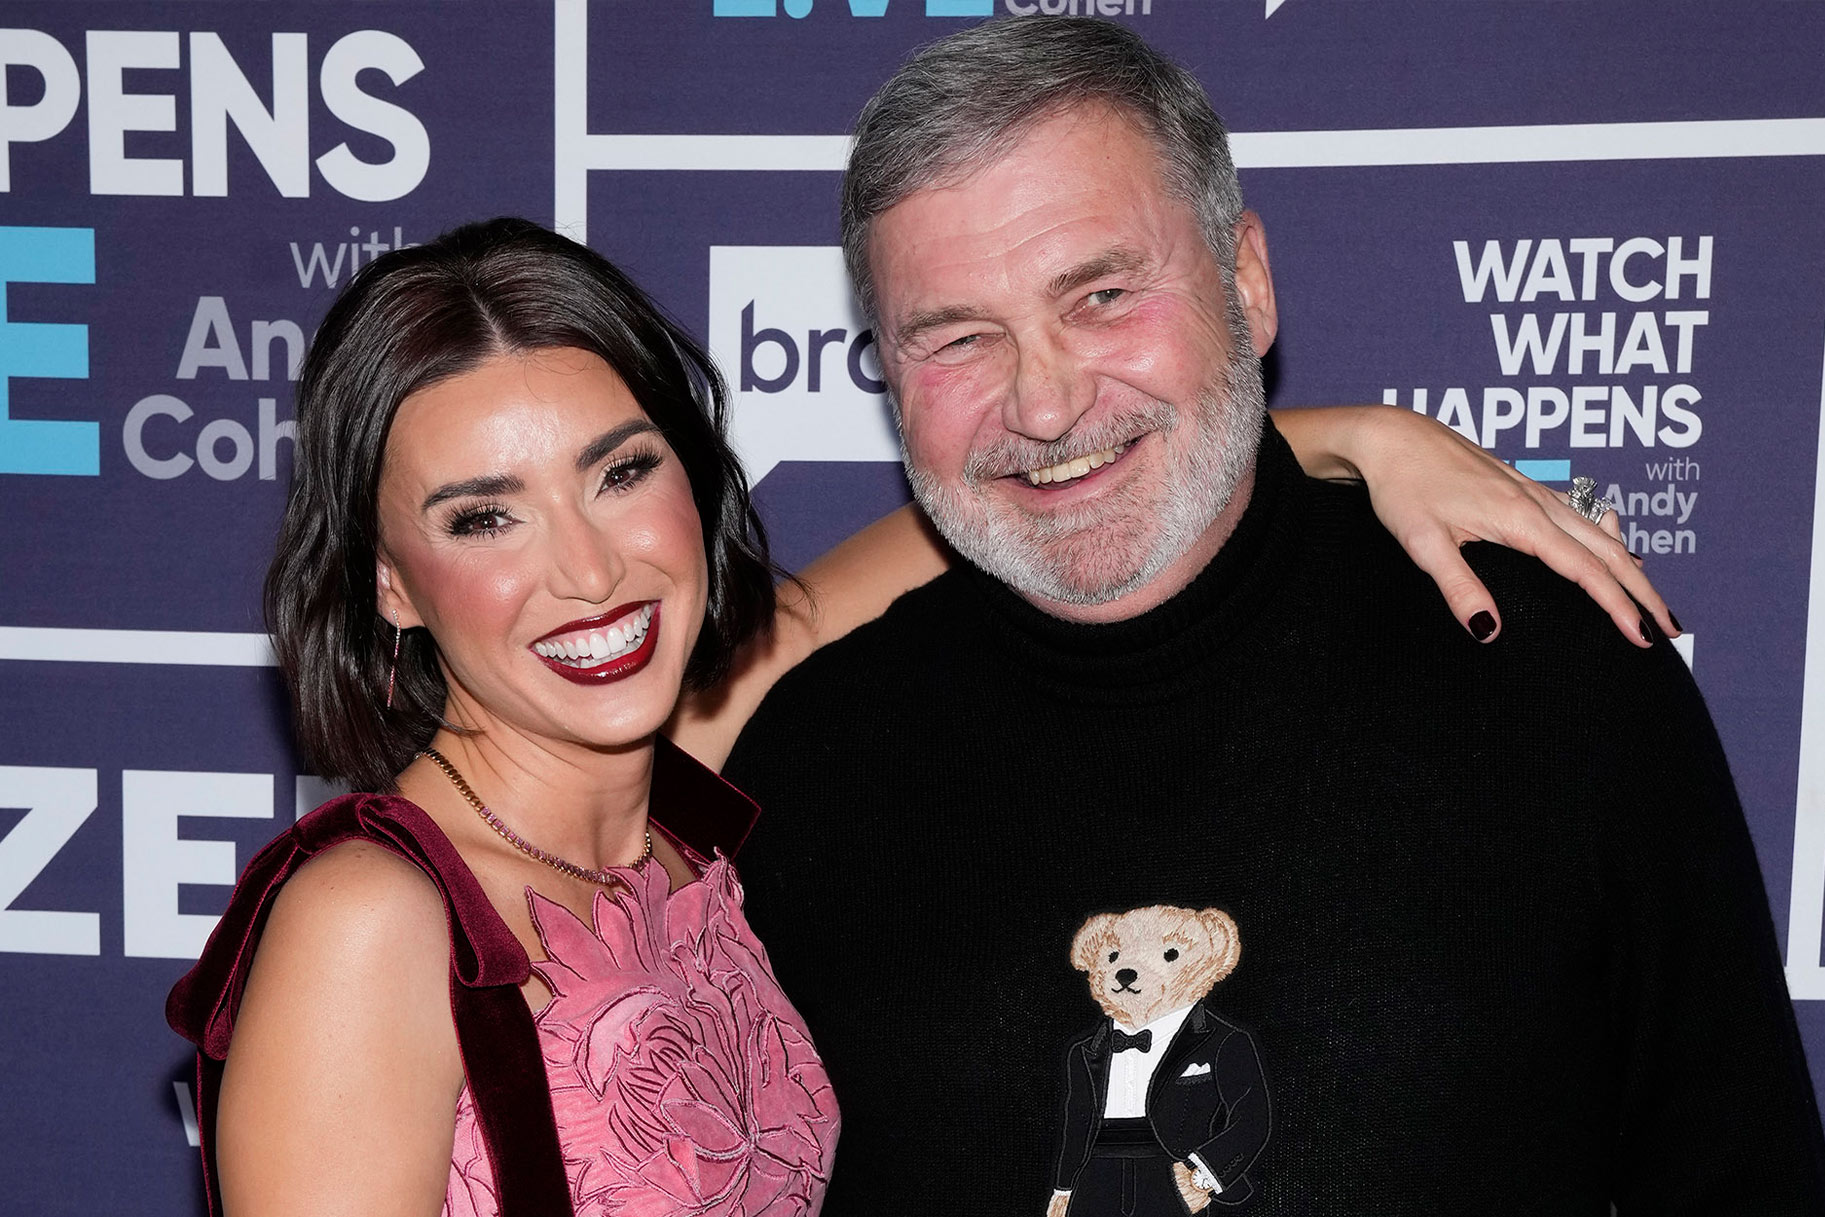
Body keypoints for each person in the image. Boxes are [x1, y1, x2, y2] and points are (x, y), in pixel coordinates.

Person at [718, 16, 1825, 1216]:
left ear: (1244, 279)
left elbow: (1743, 1179)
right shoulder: (810, 761)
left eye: (1099, 295)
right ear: (885, 363)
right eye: (957, 338)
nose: (1041, 402)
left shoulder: (1552, 669)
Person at [166, 218, 839, 1216]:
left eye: (621, 472)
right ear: (389, 582)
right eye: (485, 518)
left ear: (694, 477)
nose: (591, 570)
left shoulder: (673, 841)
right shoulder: (372, 919)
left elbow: (861, 589)